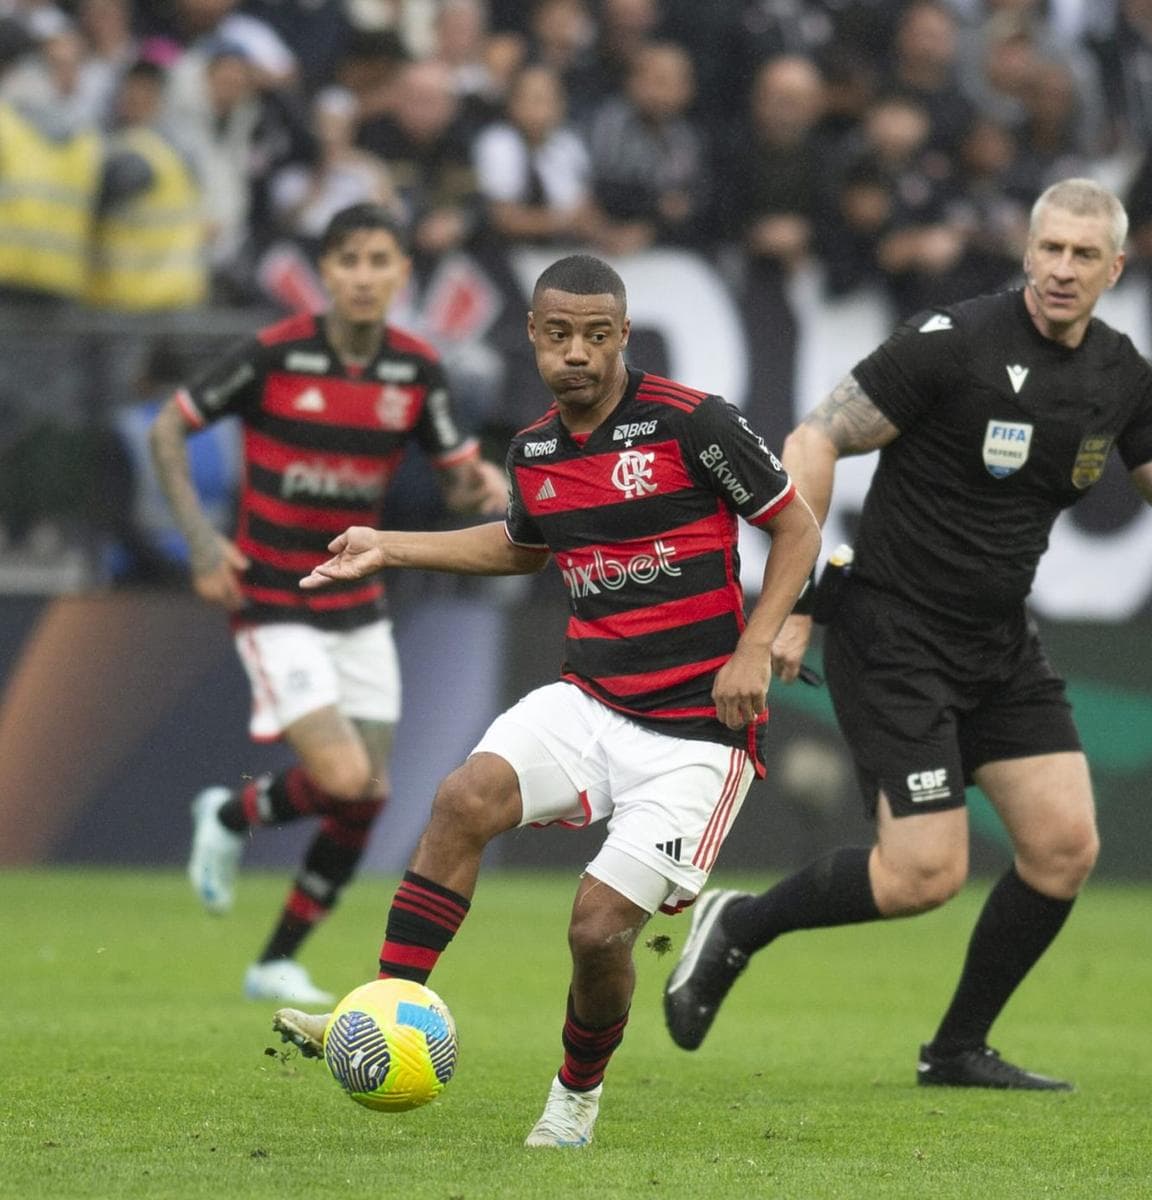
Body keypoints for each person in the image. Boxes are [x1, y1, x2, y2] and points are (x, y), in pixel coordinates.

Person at [662, 178, 1152, 1091]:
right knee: (924, 876)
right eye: (1050, 248)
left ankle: (956, 1050)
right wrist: (797, 601)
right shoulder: (954, 342)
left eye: (1084, 255)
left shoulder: (1117, 376)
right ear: (1027, 251)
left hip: (998, 643)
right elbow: (813, 441)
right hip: (892, 633)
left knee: (1064, 847)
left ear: (1116, 269)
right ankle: (738, 924)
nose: (1062, 268)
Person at [269, 254, 822, 1148]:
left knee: (598, 932)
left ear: (623, 336)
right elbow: (522, 546)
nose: (578, 353)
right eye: (559, 334)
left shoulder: (694, 424)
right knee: (462, 799)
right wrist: (390, 544)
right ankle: (381, 1014)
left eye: (597, 336)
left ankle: (574, 1099)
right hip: (591, 700)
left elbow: (796, 527)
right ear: (532, 335)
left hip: (697, 733)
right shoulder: (535, 450)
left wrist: (755, 648)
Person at [153, 203, 506, 1007]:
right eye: (349, 260)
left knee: (369, 797)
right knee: (345, 777)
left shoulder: (415, 369)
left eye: (380, 260)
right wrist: (203, 545)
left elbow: (455, 482)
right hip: (274, 595)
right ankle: (233, 815)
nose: (364, 276)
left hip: (358, 599)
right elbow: (169, 429)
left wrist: (478, 481)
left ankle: (274, 959)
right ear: (326, 273)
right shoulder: (276, 353)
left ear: (402, 273)